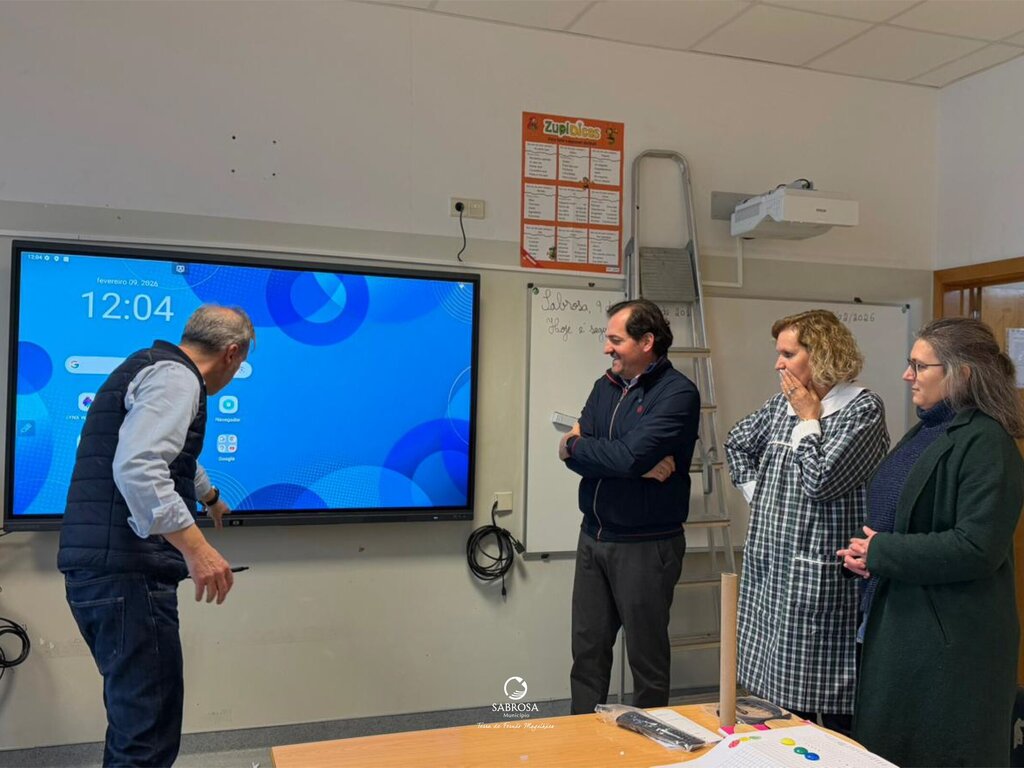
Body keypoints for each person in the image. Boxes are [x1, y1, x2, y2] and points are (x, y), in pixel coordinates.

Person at [58, 304, 255, 767]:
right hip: (128, 572)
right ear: (231, 353)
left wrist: (210, 497)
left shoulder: (148, 366)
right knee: (147, 733)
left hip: (103, 570)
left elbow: (170, 454)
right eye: (239, 365)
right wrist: (198, 549)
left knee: (136, 720)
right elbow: (140, 467)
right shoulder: (177, 378)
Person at [840, 317, 1024, 768]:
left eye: (920, 366)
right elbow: (905, 517)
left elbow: (977, 547)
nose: (908, 375)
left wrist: (883, 552)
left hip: (949, 644)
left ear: (962, 373)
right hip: (900, 622)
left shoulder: (987, 442)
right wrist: (867, 555)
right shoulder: (928, 429)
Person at [724, 309, 888, 733]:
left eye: (788, 354)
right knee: (773, 707)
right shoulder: (782, 404)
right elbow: (737, 442)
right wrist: (759, 494)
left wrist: (809, 420)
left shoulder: (862, 409)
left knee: (831, 712)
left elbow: (820, 481)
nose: (777, 364)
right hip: (771, 571)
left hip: (823, 575)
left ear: (821, 354)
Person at [559, 298, 700, 714]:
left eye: (615, 340)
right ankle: (583, 736)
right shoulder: (604, 386)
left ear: (647, 342)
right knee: (587, 652)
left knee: (646, 658)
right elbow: (579, 454)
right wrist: (587, 450)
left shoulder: (678, 394)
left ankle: (649, 740)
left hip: (646, 545)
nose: (607, 348)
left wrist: (585, 448)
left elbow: (623, 456)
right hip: (593, 538)